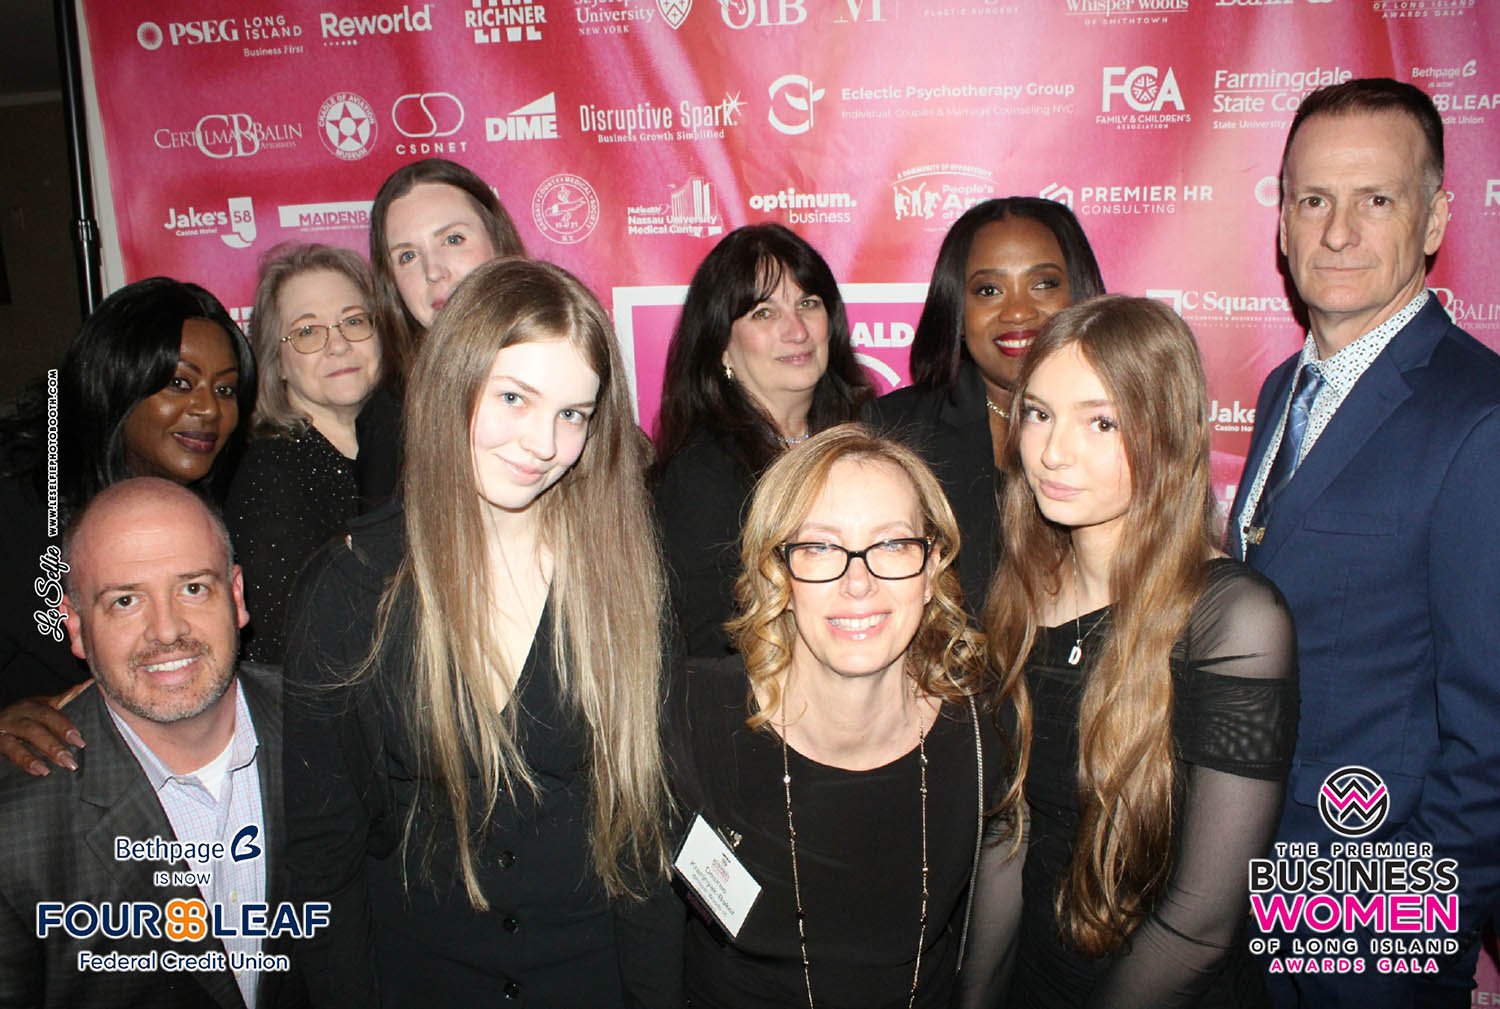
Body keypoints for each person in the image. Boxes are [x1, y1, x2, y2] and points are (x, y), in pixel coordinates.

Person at [282, 258, 675, 1007]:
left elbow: (645, 841)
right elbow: (323, 860)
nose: (543, 442)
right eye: (514, 398)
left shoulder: (623, 581)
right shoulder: (352, 587)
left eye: (573, 414)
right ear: (452, 383)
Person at [1227, 78, 1500, 1008]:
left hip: (1374, 931)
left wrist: (1397, 947)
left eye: (1375, 199)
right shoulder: (1282, 391)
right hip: (1250, 889)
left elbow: (1489, 735)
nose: (1337, 232)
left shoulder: (1479, 417)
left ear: (1435, 220)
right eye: (1313, 200)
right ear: (1281, 222)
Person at [987, 295, 1298, 1007]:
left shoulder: (1234, 621)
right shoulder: (1022, 592)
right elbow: (1006, 836)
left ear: (1169, 433)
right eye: (1038, 414)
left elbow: (1199, 925)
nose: (1053, 452)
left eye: (1101, 422)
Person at [668, 423, 1020, 1009]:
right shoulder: (685, 716)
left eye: (892, 545)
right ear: (778, 573)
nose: (859, 582)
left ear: (931, 569)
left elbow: (993, 947)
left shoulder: (985, 731)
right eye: (821, 548)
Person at [0, 478, 301, 1008]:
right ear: (76, 626)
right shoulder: (16, 835)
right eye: (125, 600)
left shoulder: (337, 728)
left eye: (193, 588)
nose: (165, 630)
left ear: (236, 597)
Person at [1, 277, 255, 747]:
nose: (208, 409)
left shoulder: (230, 507)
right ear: (116, 382)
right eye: (180, 383)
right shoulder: (20, 502)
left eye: (225, 390)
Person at [866, 197, 1105, 617]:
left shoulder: (1132, 428)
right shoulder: (892, 434)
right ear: (958, 310)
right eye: (989, 290)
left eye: (1044, 284)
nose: (1018, 312)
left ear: (1081, 296)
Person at [653, 224, 874, 656]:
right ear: (721, 346)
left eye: (808, 304)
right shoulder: (700, 476)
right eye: (764, 313)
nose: (797, 331)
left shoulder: (868, 437)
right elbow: (716, 641)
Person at [225, 244, 382, 664]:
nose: (339, 345)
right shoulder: (268, 476)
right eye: (308, 331)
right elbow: (283, 651)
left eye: (354, 321)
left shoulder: (408, 442)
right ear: (276, 361)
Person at [355, 158, 525, 510]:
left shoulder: (568, 364)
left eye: (453, 239)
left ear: (498, 242)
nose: (433, 271)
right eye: (407, 256)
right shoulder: (390, 419)